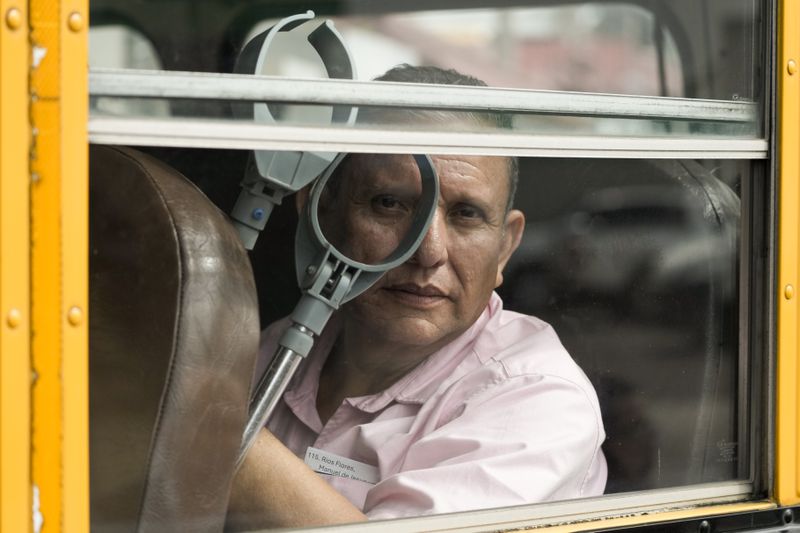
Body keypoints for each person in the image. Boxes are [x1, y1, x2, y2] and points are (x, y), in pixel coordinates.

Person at [226, 65, 606, 530]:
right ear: (321, 213)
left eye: (466, 214)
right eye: (391, 203)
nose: (429, 252)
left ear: (505, 246)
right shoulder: (274, 350)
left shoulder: (538, 399)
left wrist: (210, 419)